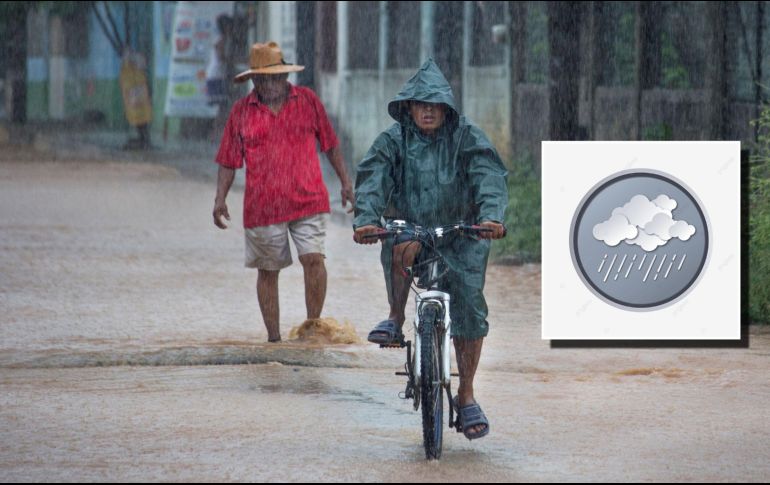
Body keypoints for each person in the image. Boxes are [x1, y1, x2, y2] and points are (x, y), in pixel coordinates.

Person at [352, 58, 508, 441]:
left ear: (446, 108)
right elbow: (372, 178)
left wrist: (491, 216)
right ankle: (393, 316)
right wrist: (366, 219)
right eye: (420, 103)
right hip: (413, 229)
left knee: (470, 304)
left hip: (463, 233)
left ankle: (467, 393)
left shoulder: (467, 137)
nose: (427, 110)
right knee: (399, 243)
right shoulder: (393, 140)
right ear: (408, 107)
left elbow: (489, 176)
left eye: (434, 104)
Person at [213, 41, 355, 343]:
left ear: (286, 77)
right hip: (263, 206)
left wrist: (346, 182)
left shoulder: (308, 101)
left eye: (279, 76)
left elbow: (330, 143)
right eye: (267, 78)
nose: (274, 83)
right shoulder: (241, 112)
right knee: (268, 270)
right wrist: (219, 199)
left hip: (309, 198)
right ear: (255, 80)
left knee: (314, 259)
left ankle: (313, 329)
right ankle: (274, 340)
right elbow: (228, 160)